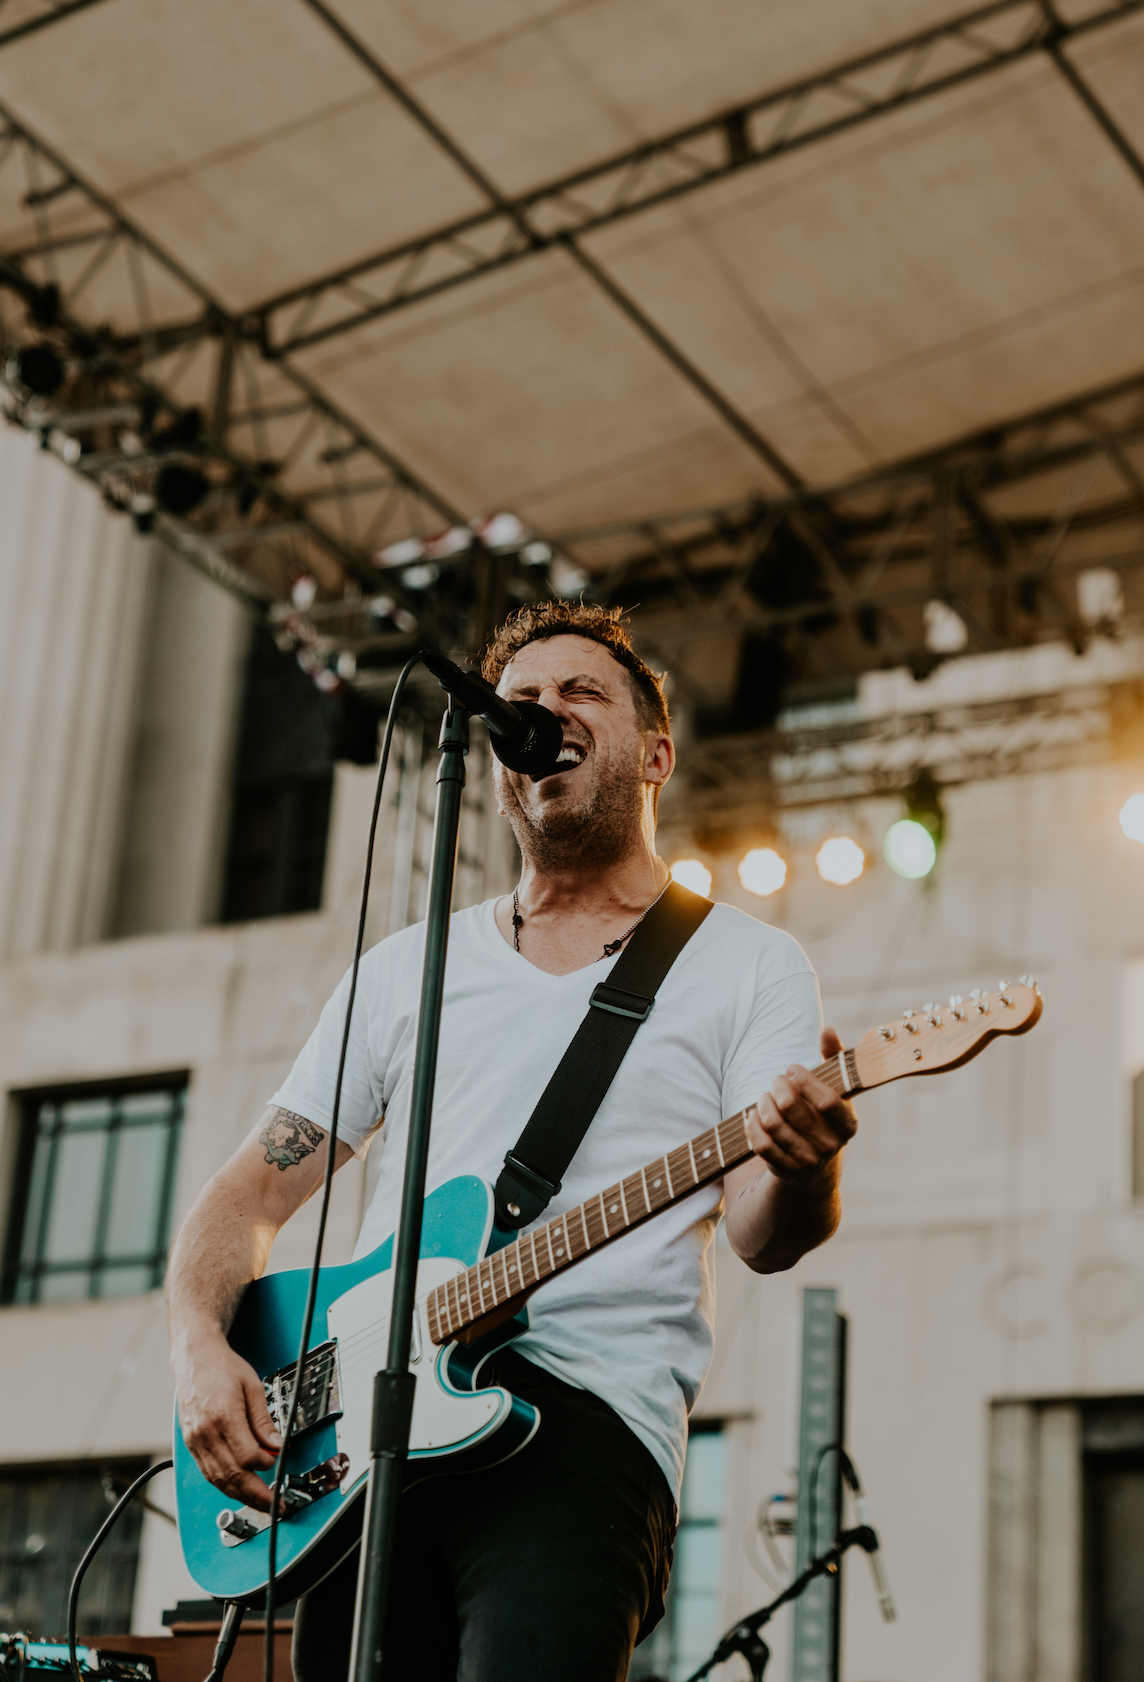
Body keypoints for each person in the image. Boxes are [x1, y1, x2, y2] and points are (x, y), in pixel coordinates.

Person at [167, 602, 857, 1682]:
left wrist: (807, 1168)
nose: (544, 711)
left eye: (581, 693)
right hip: (372, 1443)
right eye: (523, 699)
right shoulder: (407, 968)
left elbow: (765, 1238)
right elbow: (250, 1194)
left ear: (656, 756)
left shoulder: (747, 964)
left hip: (589, 1427)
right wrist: (200, 1348)